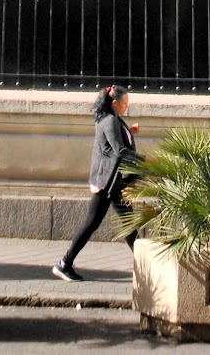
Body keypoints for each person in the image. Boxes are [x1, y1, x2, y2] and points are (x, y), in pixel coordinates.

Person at [52, 84, 141, 282]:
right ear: (115, 103)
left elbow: (116, 141)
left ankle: (146, 266)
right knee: (91, 224)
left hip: (116, 182)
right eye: (125, 103)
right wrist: (144, 161)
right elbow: (118, 150)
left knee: (129, 225)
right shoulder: (109, 120)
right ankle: (64, 264)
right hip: (107, 183)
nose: (127, 106)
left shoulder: (113, 118)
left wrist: (131, 132)